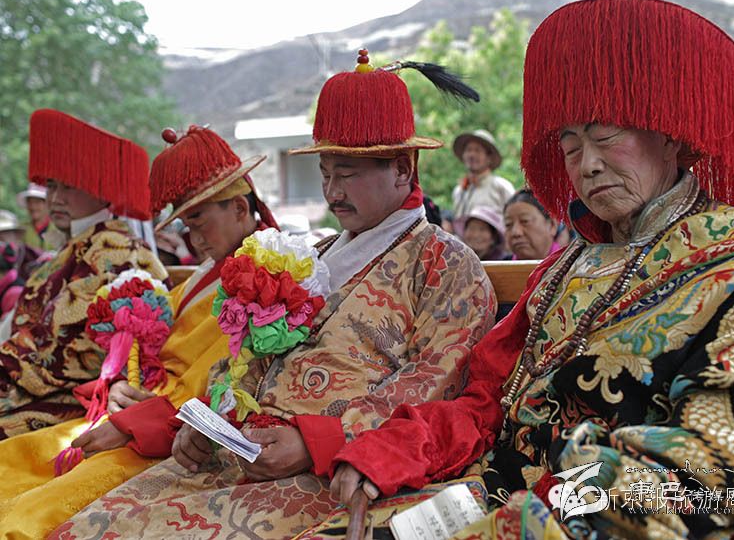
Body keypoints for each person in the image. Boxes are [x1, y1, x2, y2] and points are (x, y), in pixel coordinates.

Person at [301, 0, 734, 539]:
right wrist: (394, 448)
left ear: (671, 136)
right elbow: (489, 400)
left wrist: (524, 517)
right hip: (479, 491)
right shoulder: (567, 267)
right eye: (570, 146)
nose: (588, 165)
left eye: (605, 137)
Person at [54, 50, 496, 539]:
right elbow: (244, 358)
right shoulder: (311, 255)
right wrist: (205, 421)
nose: (332, 192)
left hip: (329, 472)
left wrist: (317, 442)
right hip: (237, 452)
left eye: (347, 174)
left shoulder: (446, 264)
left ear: (402, 168)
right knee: (83, 527)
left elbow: (436, 381)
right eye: (325, 173)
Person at [0, 125, 282, 538]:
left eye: (198, 221)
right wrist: (119, 384)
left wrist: (137, 419)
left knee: (37, 511)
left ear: (240, 208)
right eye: (186, 225)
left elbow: (224, 382)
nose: (193, 238)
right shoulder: (210, 270)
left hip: (171, 431)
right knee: (15, 461)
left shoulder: (266, 279)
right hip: (133, 409)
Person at [0, 109, 166, 438]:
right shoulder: (72, 246)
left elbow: (71, 351)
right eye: (51, 186)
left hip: (72, 397)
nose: (56, 199)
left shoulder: (118, 252)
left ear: (101, 189)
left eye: (69, 186)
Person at [452, 129, 515, 233]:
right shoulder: (459, 191)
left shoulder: (501, 187)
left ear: (489, 158)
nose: (472, 155)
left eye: (478, 150)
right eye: (468, 150)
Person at [503, 189, 561, 260]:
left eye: (525, 221)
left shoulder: (571, 264)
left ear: (552, 225)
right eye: (508, 224)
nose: (516, 232)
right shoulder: (497, 266)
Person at [16, 182, 53, 250]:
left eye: (37, 202)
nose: (33, 206)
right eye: (30, 202)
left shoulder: (58, 229)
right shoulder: (20, 230)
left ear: (46, 204)